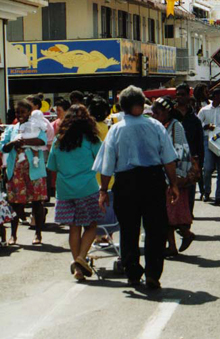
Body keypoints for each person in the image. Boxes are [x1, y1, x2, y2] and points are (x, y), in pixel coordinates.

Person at [93, 85, 179, 290]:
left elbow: (107, 165)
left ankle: (132, 273)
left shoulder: (116, 129)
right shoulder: (156, 126)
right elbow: (168, 159)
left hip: (126, 183)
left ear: (122, 107)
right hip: (153, 180)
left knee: (128, 230)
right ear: (142, 104)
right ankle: (153, 274)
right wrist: (173, 184)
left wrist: (103, 190)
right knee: (155, 230)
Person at [47, 105, 102, 281]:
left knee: (74, 228)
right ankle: (80, 258)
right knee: (92, 226)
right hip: (87, 188)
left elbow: (52, 167)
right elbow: (102, 161)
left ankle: (78, 268)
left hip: (64, 190)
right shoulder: (92, 140)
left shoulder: (59, 141)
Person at [152, 97, 195, 256]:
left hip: (174, 176)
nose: (155, 116)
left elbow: (181, 151)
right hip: (165, 175)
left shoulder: (176, 126)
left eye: (157, 113)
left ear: (166, 112)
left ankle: (186, 234)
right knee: (166, 215)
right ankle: (172, 246)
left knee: (172, 213)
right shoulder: (163, 126)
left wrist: (176, 176)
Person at [1, 100, 47, 245]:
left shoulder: (37, 127)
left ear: (29, 113)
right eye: (17, 112)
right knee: (16, 204)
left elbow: (42, 141)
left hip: (34, 170)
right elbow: (4, 148)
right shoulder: (12, 129)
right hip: (16, 171)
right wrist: (14, 143)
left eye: (23, 112)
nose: (20, 115)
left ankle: (38, 234)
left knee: (37, 203)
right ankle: (13, 235)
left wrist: (27, 141)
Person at [198, 88, 220, 205]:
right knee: (207, 168)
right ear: (215, 96)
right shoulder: (204, 110)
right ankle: (206, 192)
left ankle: (219, 196)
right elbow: (198, 124)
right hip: (207, 140)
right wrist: (206, 126)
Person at [175, 83, 204, 211]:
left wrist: (199, 164)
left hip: (191, 161)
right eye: (178, 95)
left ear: (188, 96)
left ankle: (187, 221)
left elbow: (199, 143)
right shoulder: (171, 116)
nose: (180, 97)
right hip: (173, 161)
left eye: (182, 94)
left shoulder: (195, 120)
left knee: (190, 193)